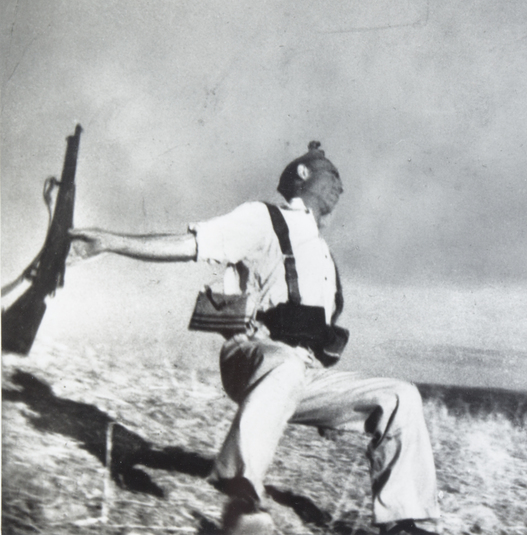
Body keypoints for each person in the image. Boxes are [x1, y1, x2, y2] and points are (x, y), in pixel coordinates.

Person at [69, 142, 440, 535]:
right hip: (253, 354)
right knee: (285, 364)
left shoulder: (324, 257)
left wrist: (334, 410)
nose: (340, 187)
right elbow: (191, 244)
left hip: (302, 373)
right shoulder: (264, 218)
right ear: (303, 174)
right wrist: (110, 242)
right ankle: (242, 498)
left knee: (400, 396)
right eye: (333, 175)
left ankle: (406, 523)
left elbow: (318, 337)